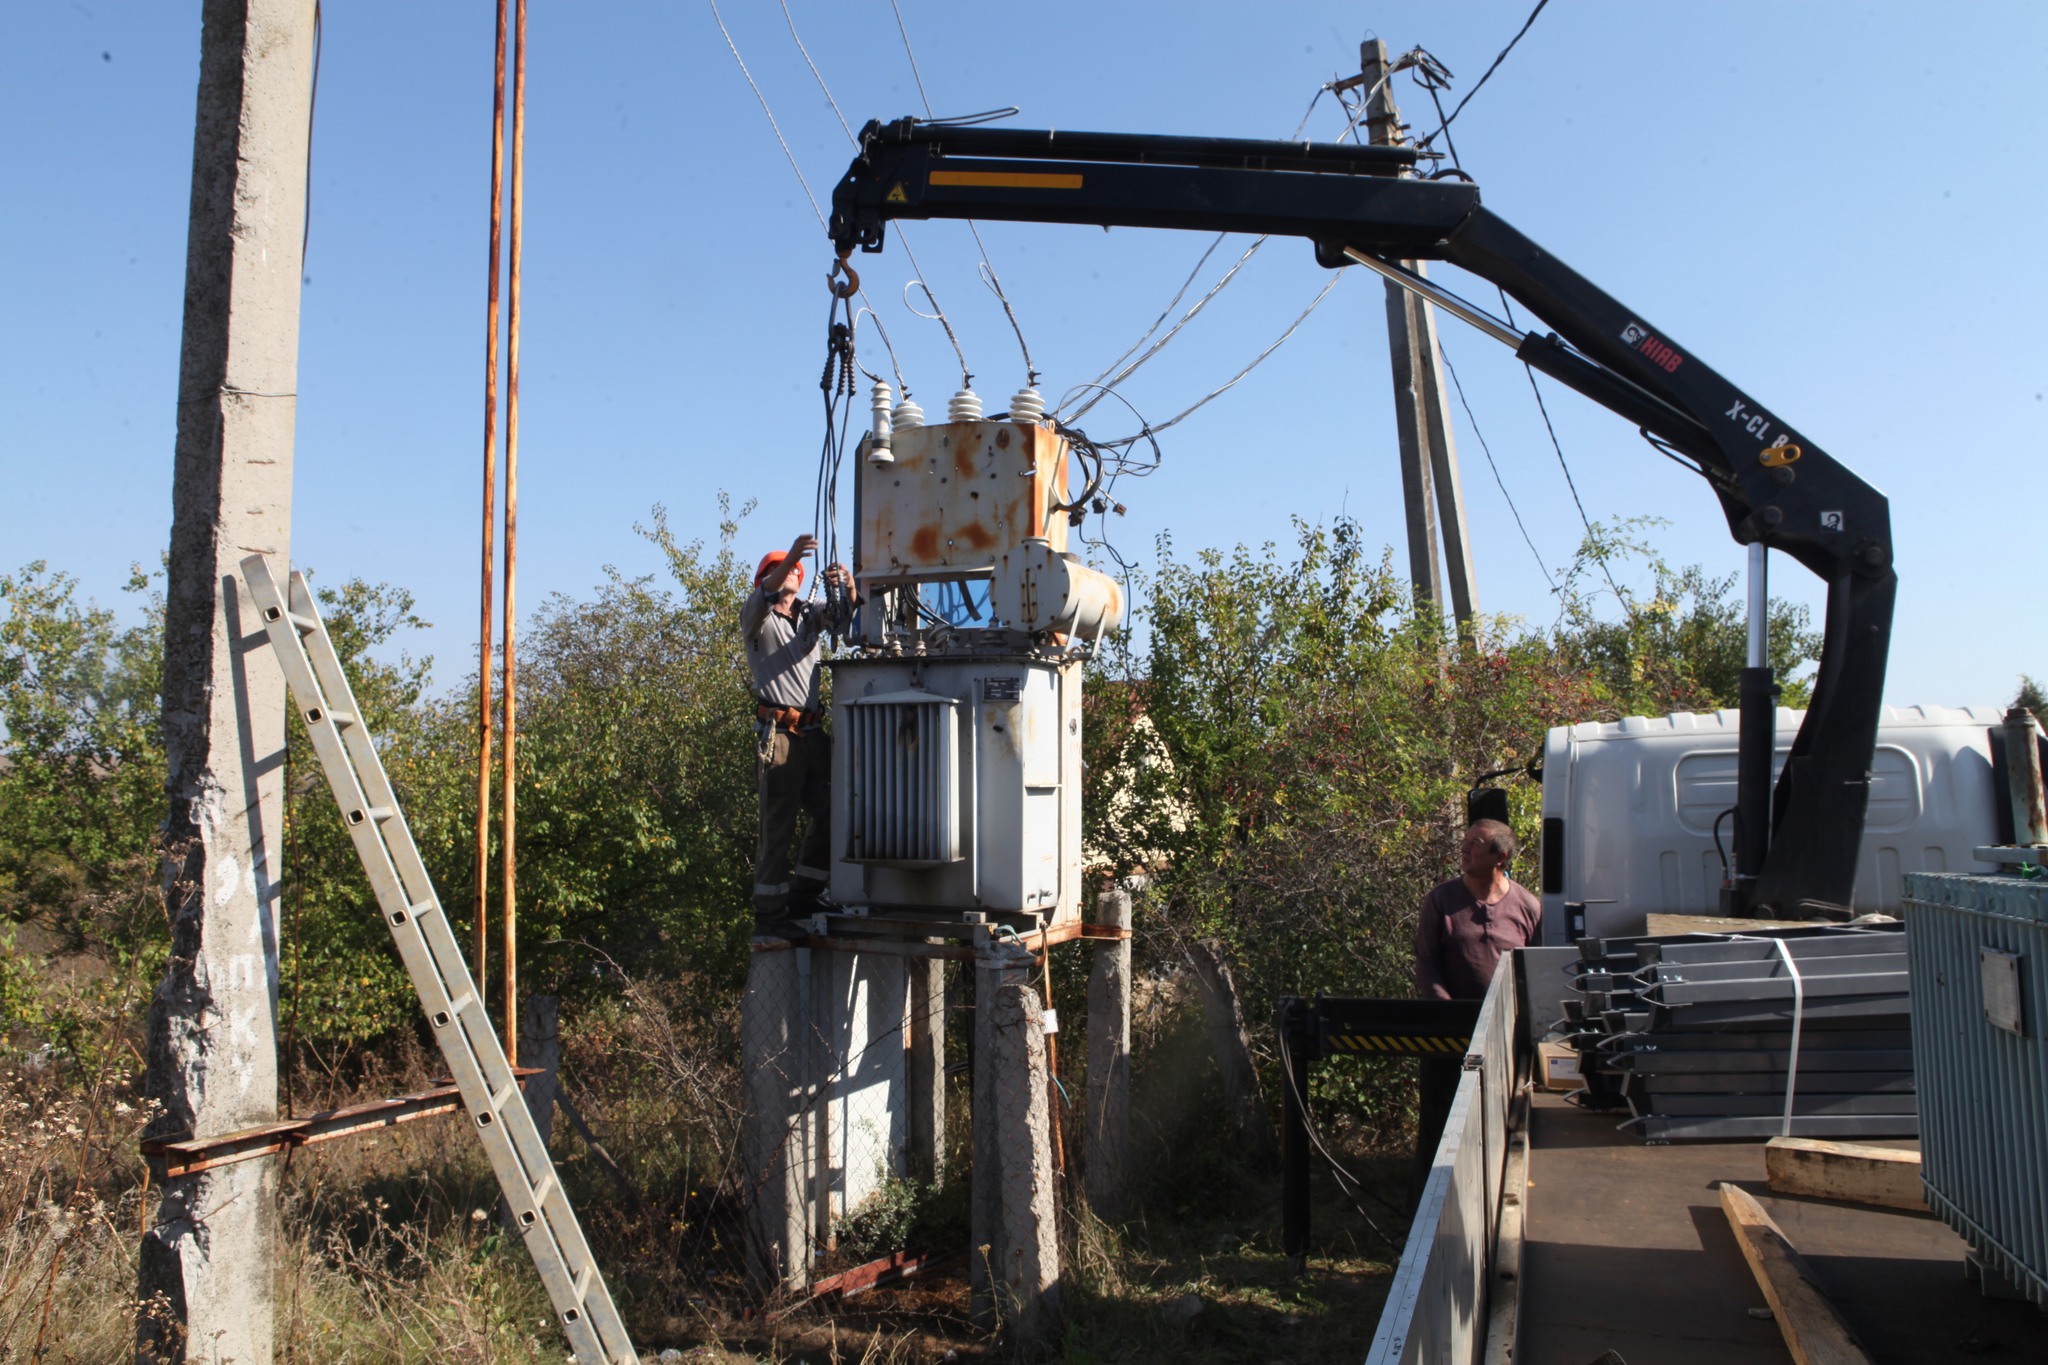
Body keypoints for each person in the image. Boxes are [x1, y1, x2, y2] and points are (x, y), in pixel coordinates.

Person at [1409, 818, 1541, 1199]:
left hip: (1503, 1037)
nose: (1464, 850)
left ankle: (1482, 1200)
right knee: (1437, 1125)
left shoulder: (1527, 906)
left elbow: (1534, 973)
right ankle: (1423, 1207)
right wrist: (1446, 1014)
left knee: (1496, 1122)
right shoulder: (1441, 900)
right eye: (1465, 842)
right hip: (1445, 1036)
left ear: (1500, 856)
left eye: (1474, 844)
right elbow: (1427, 962)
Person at [741, 533, 857, 936]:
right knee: (778, 824)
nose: (787, 571)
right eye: (776, 568)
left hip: (812, 734)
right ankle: (771, 916)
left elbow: (844, 618)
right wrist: (790, 554)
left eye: (791, 567)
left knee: (836, 810)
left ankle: (805, 894)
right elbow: (767, 590)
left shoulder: (808, 615)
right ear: (765, 580)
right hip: (780, 736)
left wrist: (849, 585)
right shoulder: (757, 617)